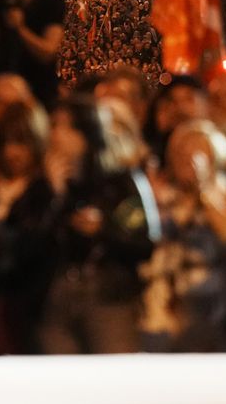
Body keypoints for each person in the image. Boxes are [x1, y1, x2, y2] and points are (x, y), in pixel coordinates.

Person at [38, 96, 158, 355]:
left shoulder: (120, 181)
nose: (55, 135)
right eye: (53, 125)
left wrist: (103, 231)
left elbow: (145, 242)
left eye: (65, 127)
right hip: (58, 294)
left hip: (109, 295)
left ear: (86, 134)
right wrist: (52, 194)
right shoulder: (45, 181)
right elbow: (32, 240)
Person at [140, 121, 226, 352]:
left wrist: (204, 190)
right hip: (168, 315)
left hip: (223, 313)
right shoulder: (160, 199)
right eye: (181, 152)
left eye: (198, 151)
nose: (188, 157)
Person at [0, 101, 55, 355]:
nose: (12, 152)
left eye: (21, 142)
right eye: (5, 143)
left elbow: (33, 245)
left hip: (27, 303)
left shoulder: (42, 190)